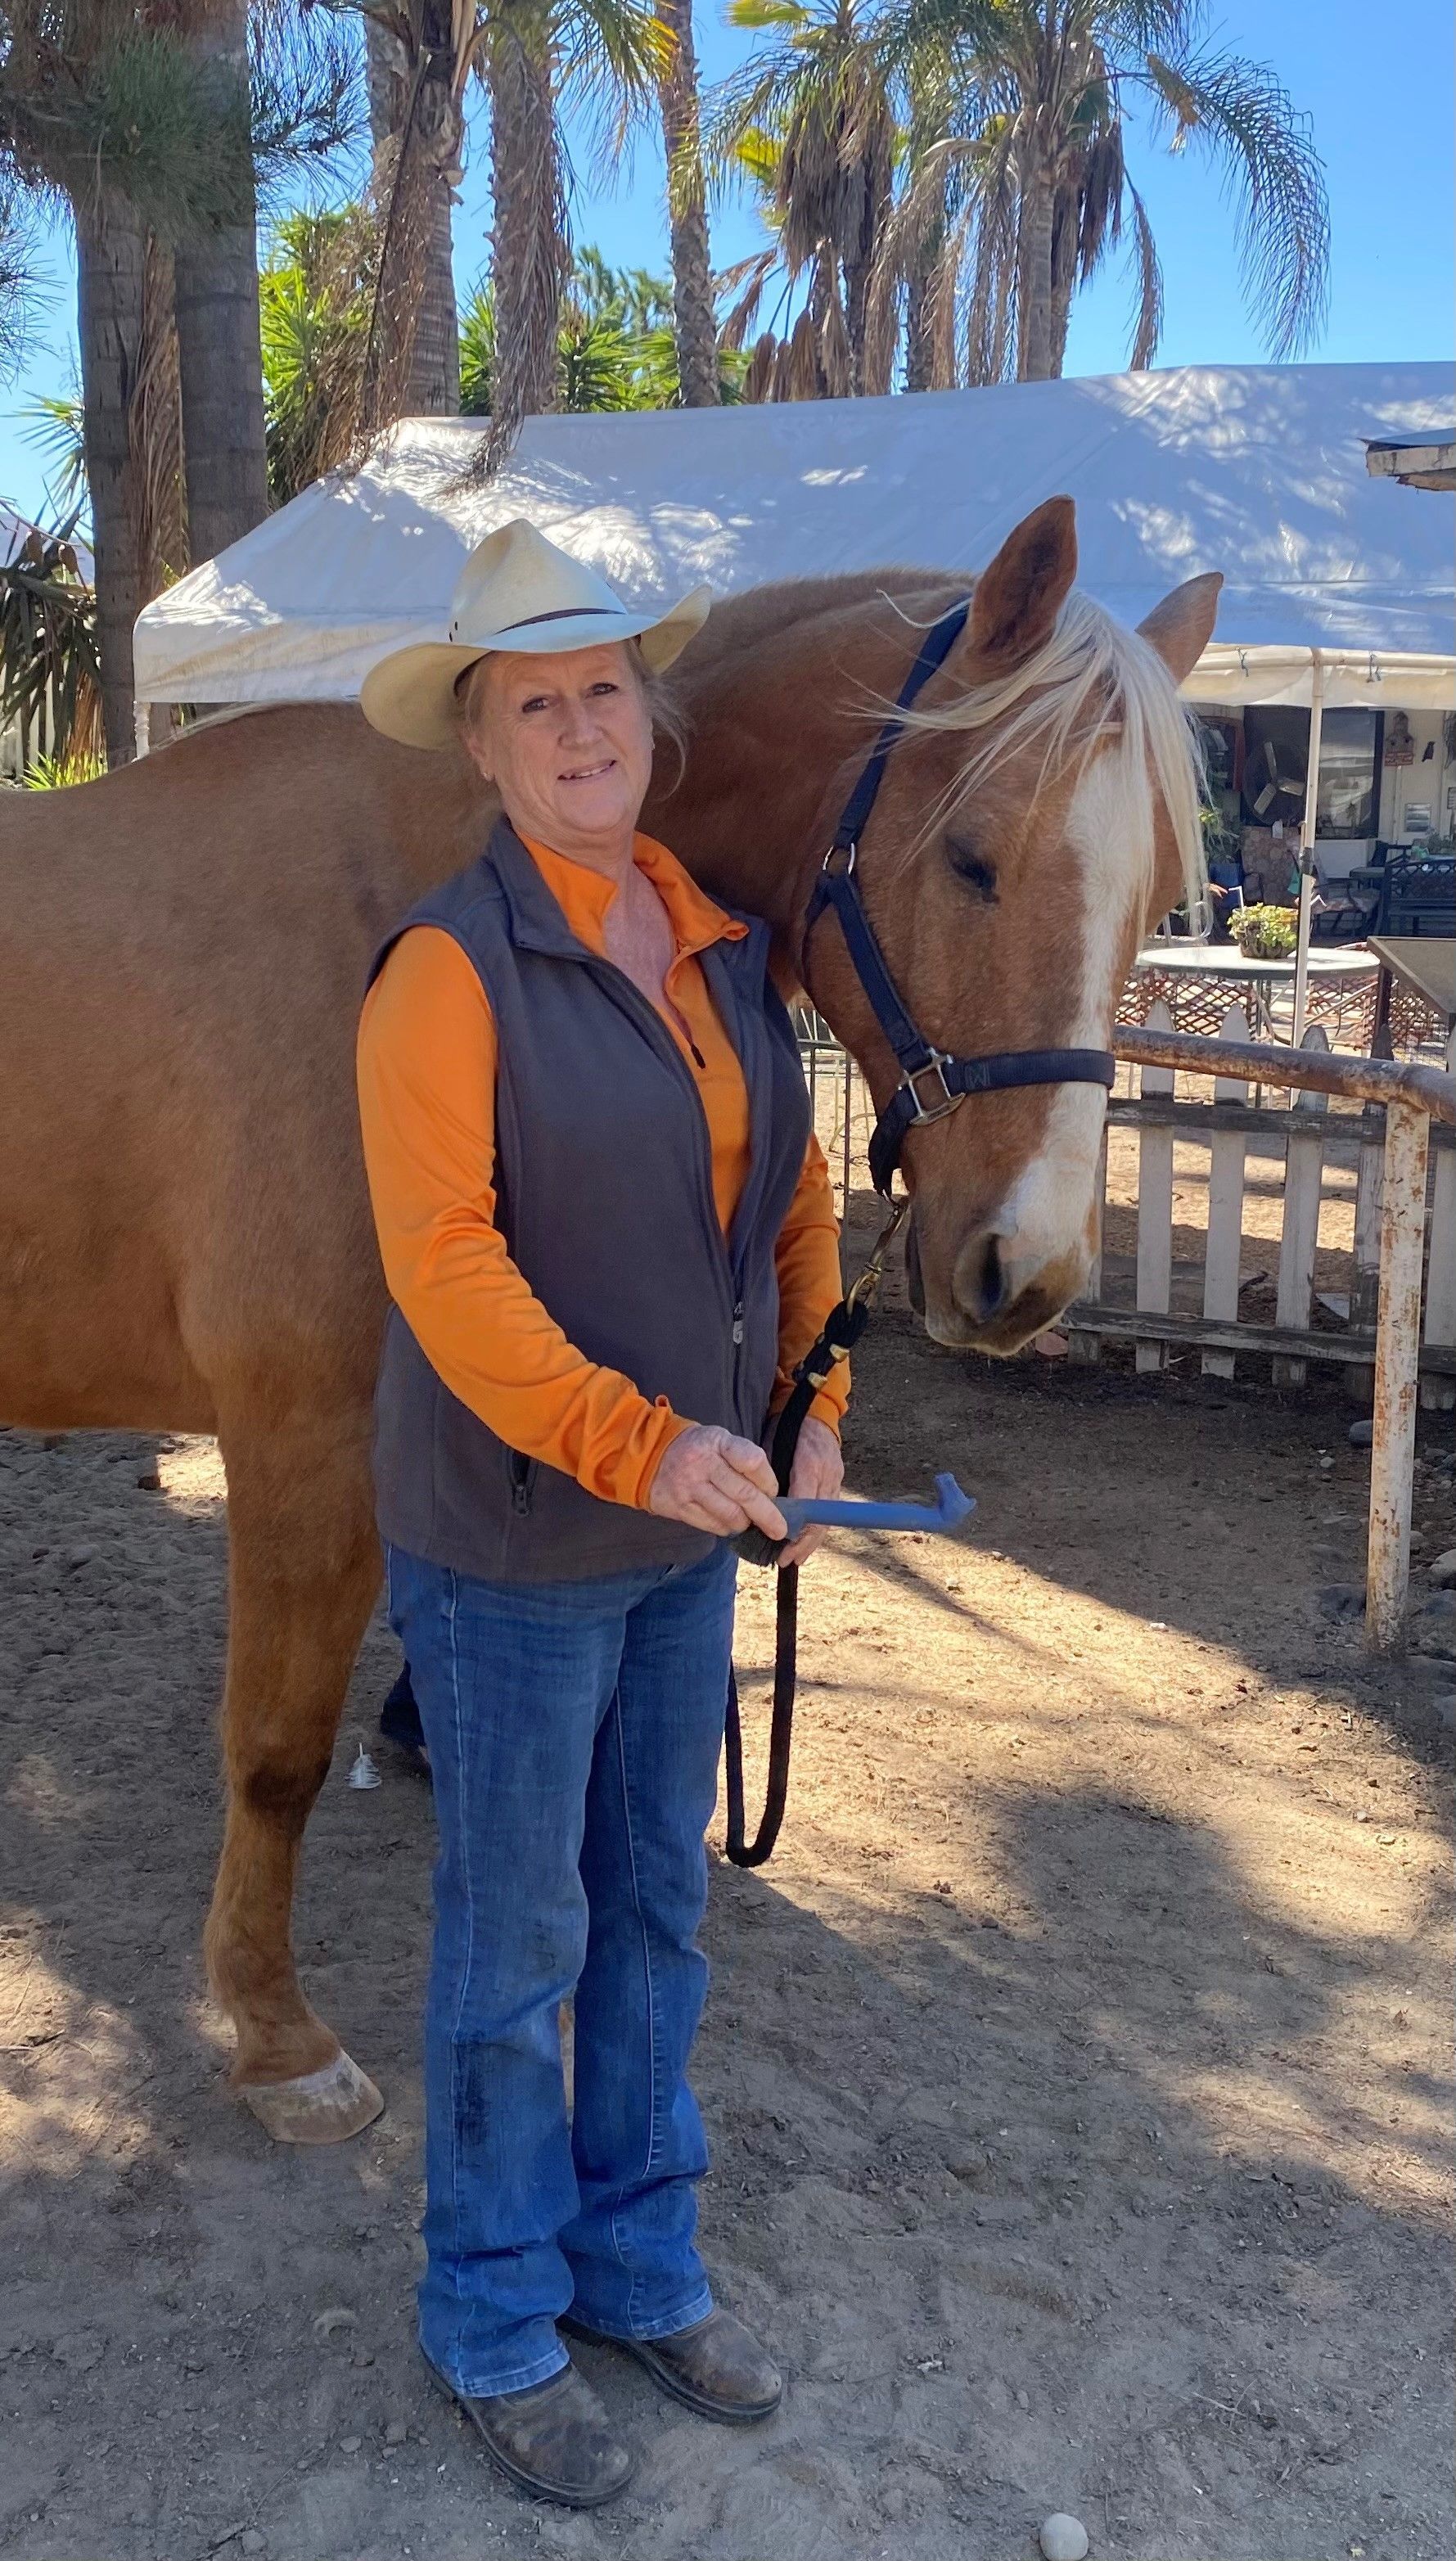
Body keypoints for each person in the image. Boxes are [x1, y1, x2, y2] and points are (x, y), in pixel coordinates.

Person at [355, 520, 848, 2509]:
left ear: (645, 716)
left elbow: (791, 1215)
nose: (575, 726)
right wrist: (640, 1438)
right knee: (516, 1934)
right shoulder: (442, 968)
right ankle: (487, 2305)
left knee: (656, 1903)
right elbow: (443, 1265)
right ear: (478, 746)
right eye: (529, 700)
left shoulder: (709, 933)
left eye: (598, 689)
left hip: (684, 1530)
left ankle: (637, 2259)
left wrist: (811, 1419)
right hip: (508, 1543)